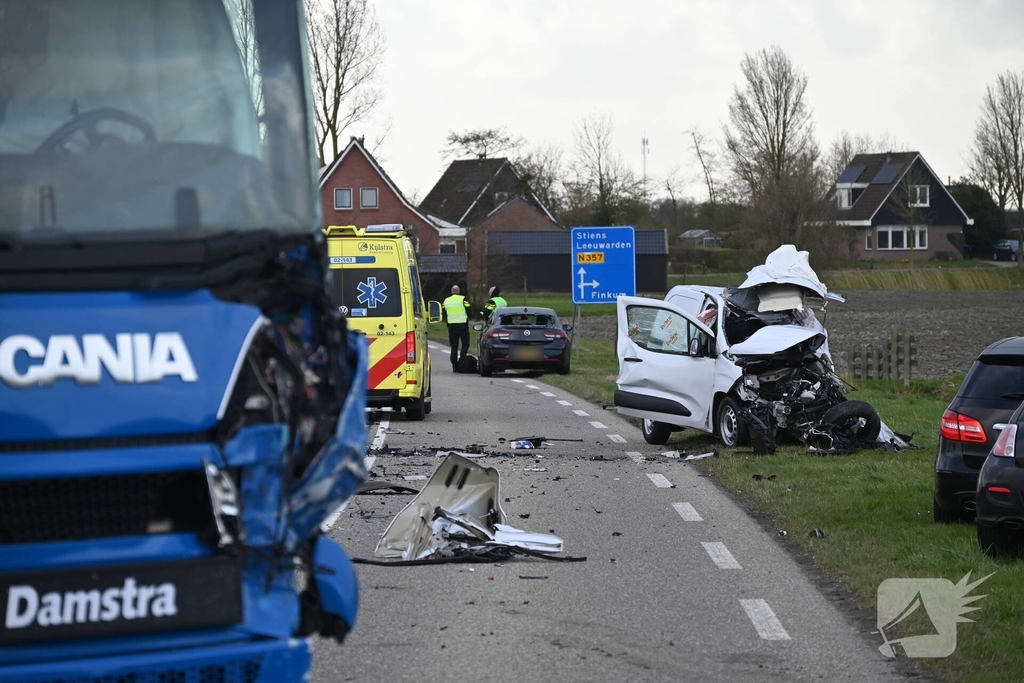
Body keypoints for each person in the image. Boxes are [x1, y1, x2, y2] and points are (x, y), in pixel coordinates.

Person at [442, 284, 472, 371]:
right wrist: (468, 317)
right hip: (462, 325)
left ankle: (454, 364)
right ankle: (462, 361)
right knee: (465, 344)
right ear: (459, 291)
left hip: (452, 326)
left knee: (454, 346)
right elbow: (469, 311)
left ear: (452, 291)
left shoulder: (446, 300)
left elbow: (443, 313)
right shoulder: (463, 299)